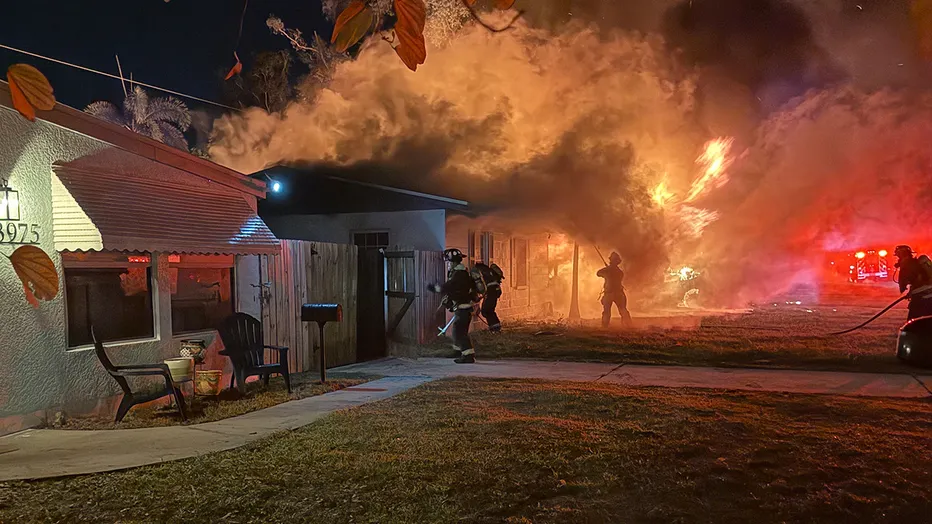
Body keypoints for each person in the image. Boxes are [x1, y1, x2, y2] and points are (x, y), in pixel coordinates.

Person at [428, 249, 479, 363]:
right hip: (462, 306)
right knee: (457, 330)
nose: (448, 265)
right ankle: (459, 351)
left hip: (463, 308)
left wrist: (436, 289)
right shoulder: (462, 273)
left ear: (453, 262)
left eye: (449, 262)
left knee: (460, 332)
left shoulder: (459, 274)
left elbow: (449, 287)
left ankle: (468, 355)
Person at [894, 245, 932, 321]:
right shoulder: (914, 263)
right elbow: (916, 280)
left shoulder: (907, 264)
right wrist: (911, 292)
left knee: (913, 322)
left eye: (898, 256)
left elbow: (905, 282)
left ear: (902, 254)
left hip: (921, 298)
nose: (898, 259)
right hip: (928, 295)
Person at [597, 251, 632, 328]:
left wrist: (607, 269)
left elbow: (598, 273)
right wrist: (607, 269)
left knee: (607, 312)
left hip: (609, 294)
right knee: (623, 310)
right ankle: (629, 325)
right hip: (619, 293)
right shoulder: (620, 272)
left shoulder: (608, 270)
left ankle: (605, 327)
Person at [474, 261, 505, 332]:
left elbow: (479, 285)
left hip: (491, 291)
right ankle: (495, 328)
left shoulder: (477, 271)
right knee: (489, 309)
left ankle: (495, 329)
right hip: (495, 290)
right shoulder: (487, 270)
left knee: (487, 310)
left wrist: (478, 295)